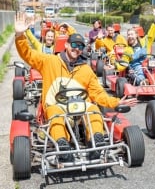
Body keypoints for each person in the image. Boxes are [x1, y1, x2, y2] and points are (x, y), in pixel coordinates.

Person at [14, 19, 138, 162]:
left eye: (80, 46)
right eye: (74, 44)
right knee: (55, 115)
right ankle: (62, 144)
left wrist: (115, 102)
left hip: (80, 106)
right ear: (66, 45)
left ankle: (96, 141)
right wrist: (19, 35)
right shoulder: (50, 61)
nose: (76, 48)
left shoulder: (85, 69)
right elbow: (28, 54)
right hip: (56, 105)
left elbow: (98, 93)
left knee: (93, 109)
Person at [114, 8, 155, 85]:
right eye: (128, 35)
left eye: (132, 34)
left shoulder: (145, 42)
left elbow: (151, 33)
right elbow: (123, 62)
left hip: (148, 63)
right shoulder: (127, 50)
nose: (130, 36)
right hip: (136, 66)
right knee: (139, 71)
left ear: (136, 35)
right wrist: (115, 66)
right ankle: (143, 82)